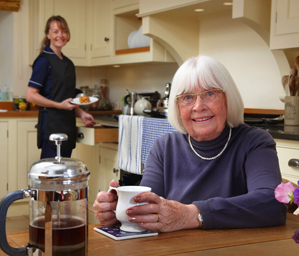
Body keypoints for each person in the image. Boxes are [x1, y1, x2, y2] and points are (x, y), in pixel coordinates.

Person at [93, 55, 287, 232]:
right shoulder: (164, 147)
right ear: (177, 107)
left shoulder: (254, 142)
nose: (198, 106)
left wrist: (191, 214)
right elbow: (147, 210)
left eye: (210, 94)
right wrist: (121, 212)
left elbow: (272, 202)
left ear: (228, 98)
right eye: (187, 97)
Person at [26, 15, 95, 159]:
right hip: (52, 125)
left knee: (64, 176)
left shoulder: (69, 64)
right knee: (51, 176)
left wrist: (82, 114)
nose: (60, 35)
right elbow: (30, 95)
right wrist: (59, 105)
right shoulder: (43, 61)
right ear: (48, 34)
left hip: (68, 126)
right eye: (56, 31)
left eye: (64, 31)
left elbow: (68, 99)